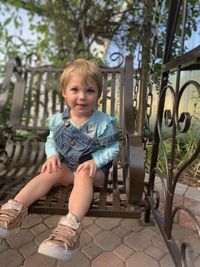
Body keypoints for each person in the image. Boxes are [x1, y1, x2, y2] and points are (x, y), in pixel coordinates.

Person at [0, 59, 119, 261]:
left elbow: (113, 148)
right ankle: (13, 212)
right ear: (64, 92)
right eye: (75, 89)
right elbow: (51, 141)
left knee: (83, 173)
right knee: (49, 171)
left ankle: (69, 229)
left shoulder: (103, 122)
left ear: (98, 95)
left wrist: (95, 161)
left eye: (90, 91)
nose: (82, 96)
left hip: (93, 173)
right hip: (67, 169)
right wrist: (53, 155)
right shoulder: (58, 120)